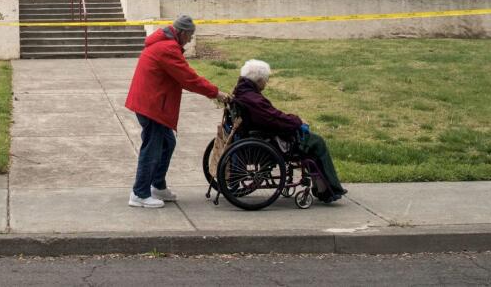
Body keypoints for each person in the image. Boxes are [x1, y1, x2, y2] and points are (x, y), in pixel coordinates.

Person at [124, 15, 229, 208]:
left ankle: (157, 185)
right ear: (181, 33)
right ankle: (139, 193)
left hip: (151, 102)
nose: (190, 40)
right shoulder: (168, 49)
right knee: (152, 148)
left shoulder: (165, 44)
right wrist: (216, 93)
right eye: (189, 35)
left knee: (167, 143)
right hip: (152, 105)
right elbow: (189, 79)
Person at [231, 59, 348, 203]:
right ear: (259, 80)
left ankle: (322, 187)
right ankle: (329, 190)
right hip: (270, 139)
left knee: (312, 141)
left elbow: (272, 116)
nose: (266, 84)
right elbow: (274, 118)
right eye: (266, 80)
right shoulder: (253, 99)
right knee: (317, 142)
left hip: (256, 134)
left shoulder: (242, 92)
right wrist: (297, 121)